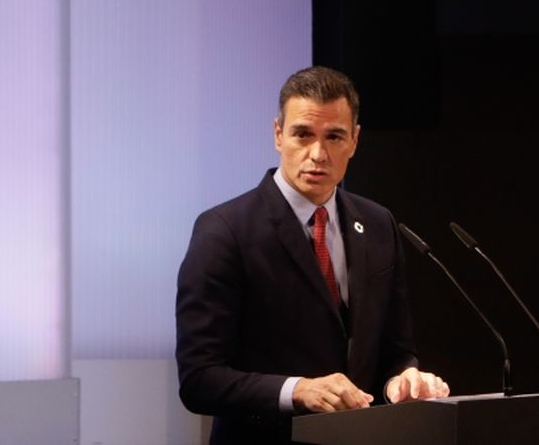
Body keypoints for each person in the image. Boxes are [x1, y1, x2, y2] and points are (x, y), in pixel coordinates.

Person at [176, 66, 449, 443]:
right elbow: (199, 379)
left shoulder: (378, 223)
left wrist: (403, 382)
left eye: (334, 136)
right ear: (278, 134)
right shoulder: (225, 230)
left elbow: (395, 352)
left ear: (354, 141)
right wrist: (297, 390)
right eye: (303, 134)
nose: (317, 154)